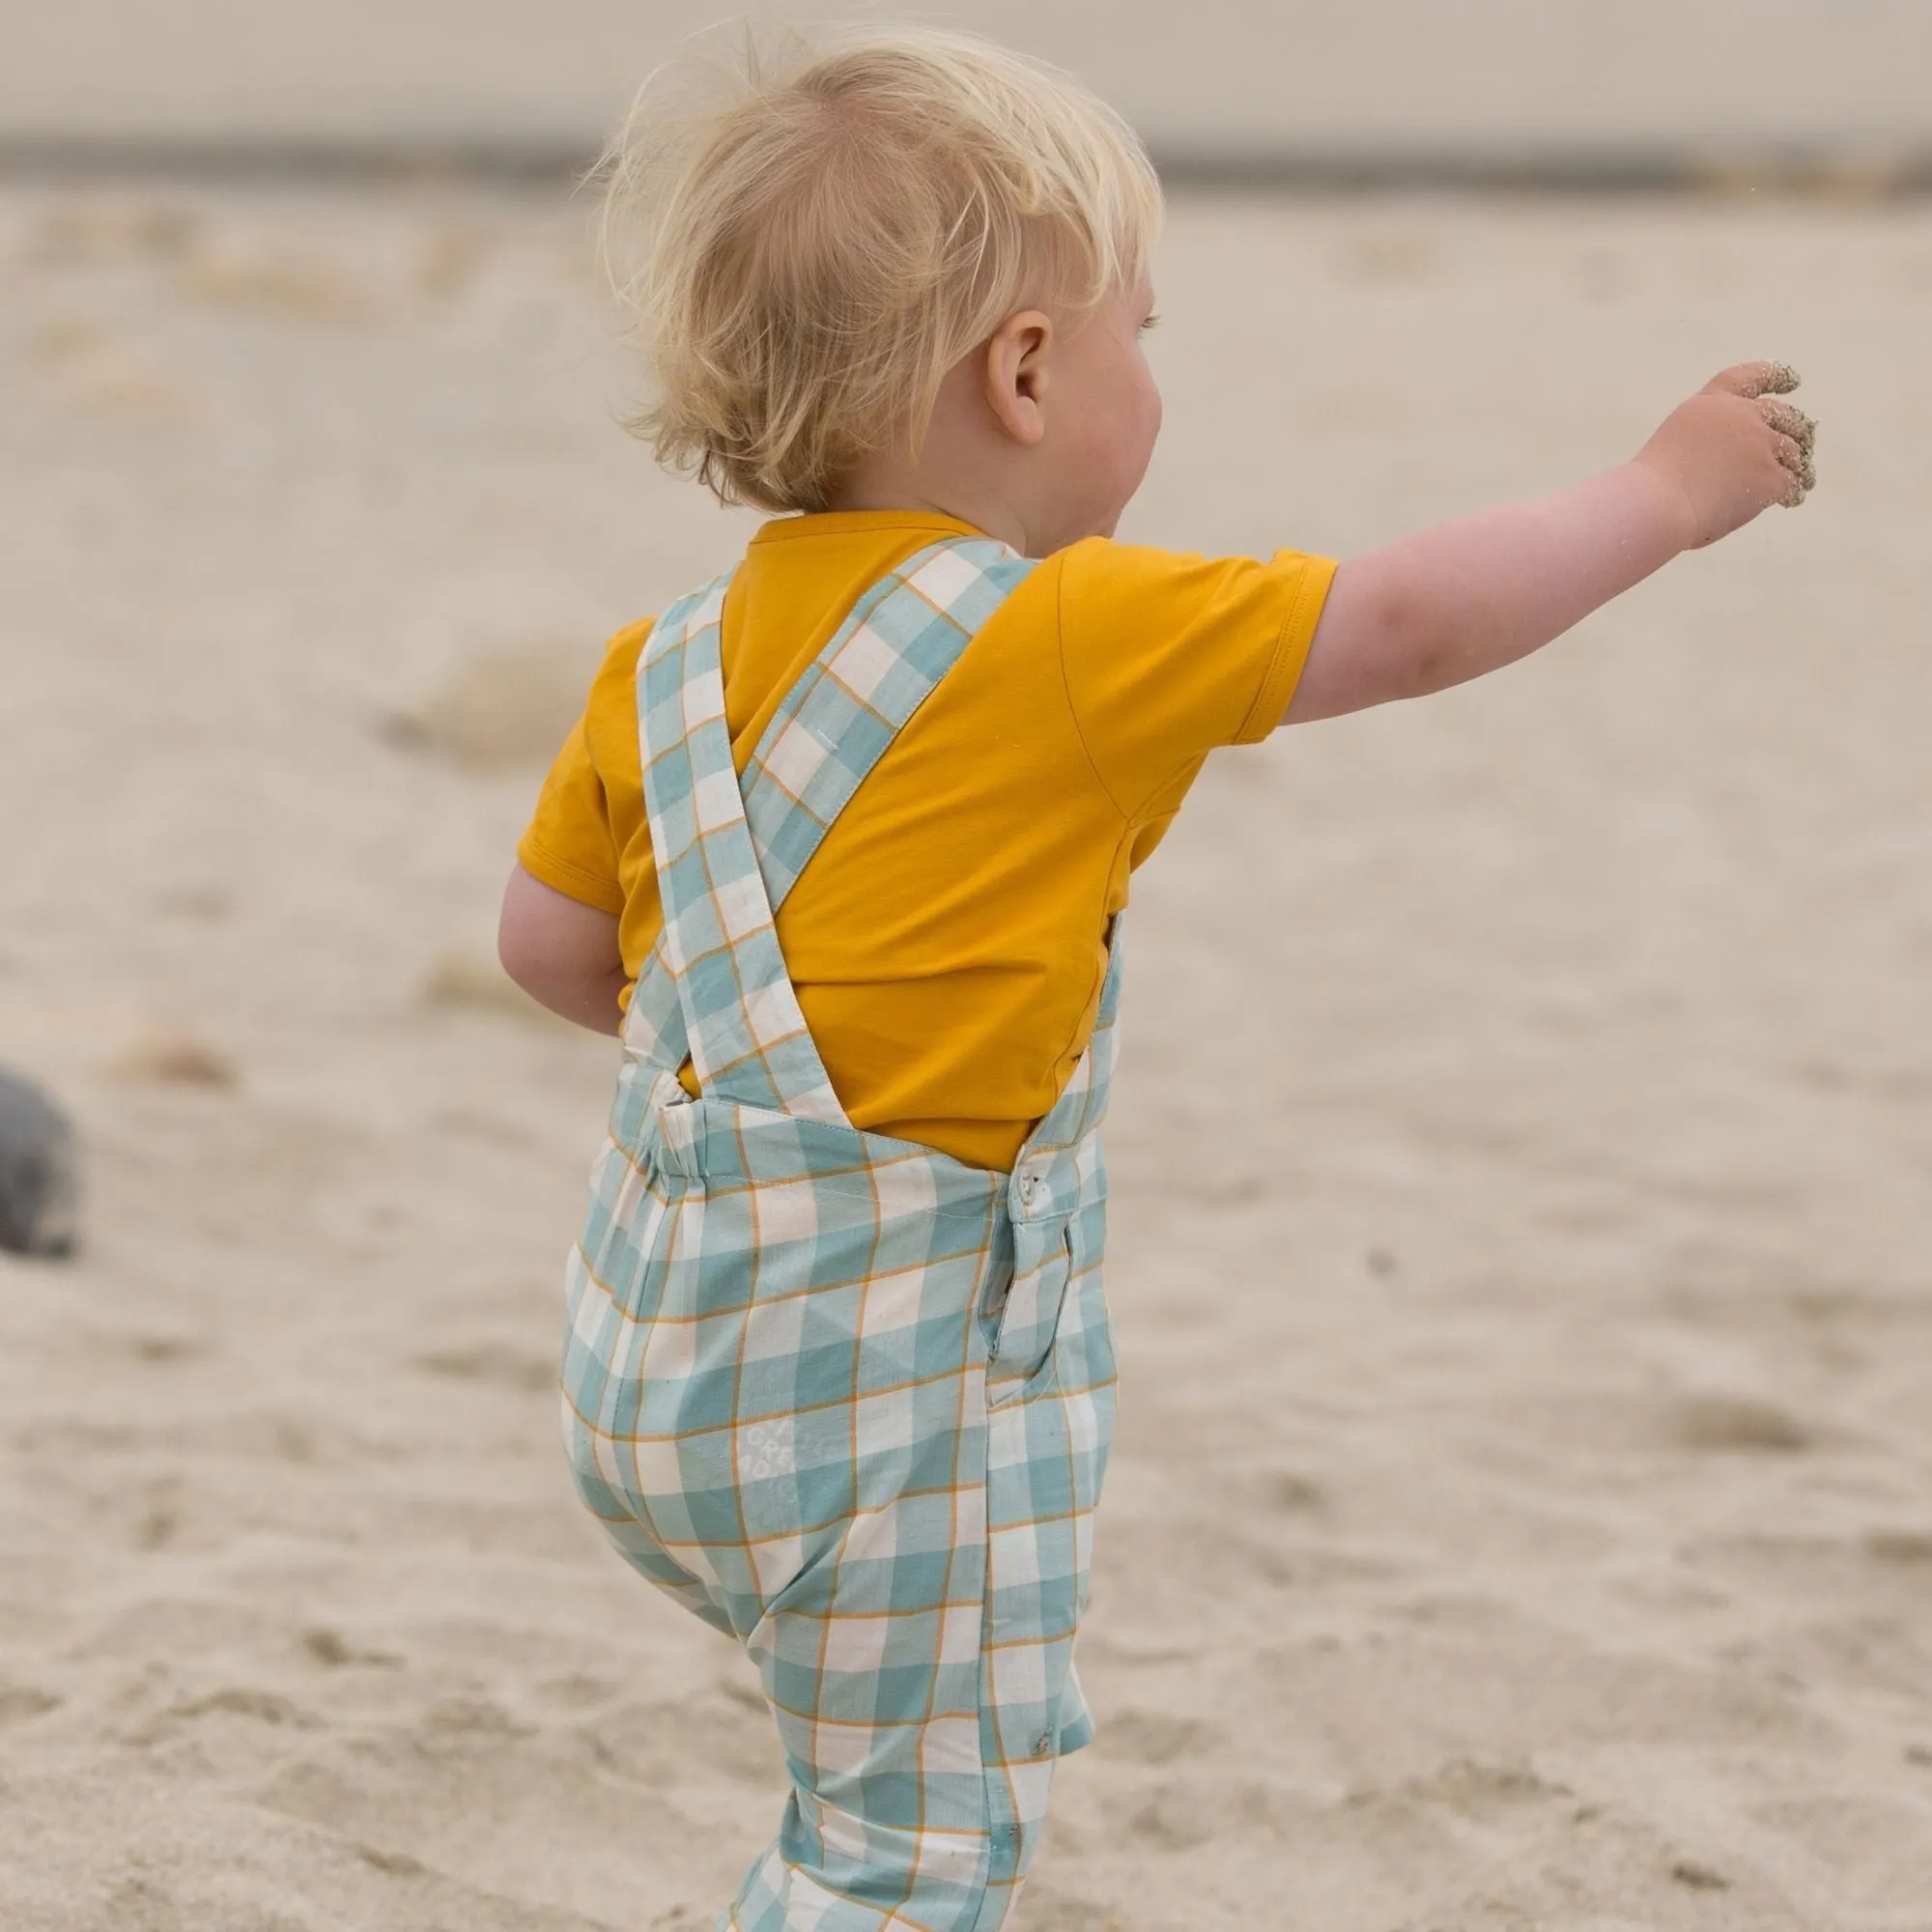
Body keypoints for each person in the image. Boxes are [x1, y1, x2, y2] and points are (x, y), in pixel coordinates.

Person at [497, 27, 1815, 1930]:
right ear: (1024, 373)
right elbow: (1412, 621)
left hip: (657, 1382)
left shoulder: (662, 662)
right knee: (910, 1845)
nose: (1150, 373)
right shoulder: (1068, 637)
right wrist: (1664, 493)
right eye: (1142, 327)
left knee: (852, 1761)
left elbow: (548, 951)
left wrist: (769, 1030)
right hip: (875, 1417)